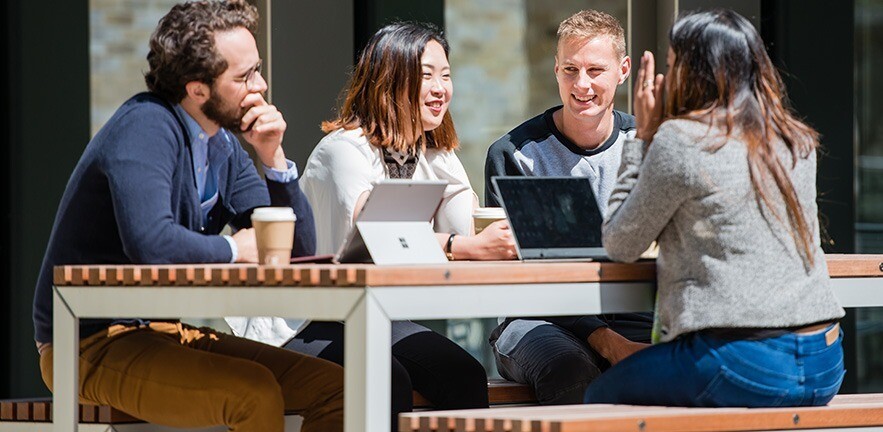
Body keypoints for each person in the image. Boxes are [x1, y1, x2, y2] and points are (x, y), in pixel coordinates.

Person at [31, 2, 343, 431]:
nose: (262, 85)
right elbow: (152, 244)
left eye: (258, 70)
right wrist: (236, 248)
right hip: (88, 343)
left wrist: (274, 159)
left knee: (337, 389)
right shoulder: (146, 127)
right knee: (252, 394)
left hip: (167, 332)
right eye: (244, 76)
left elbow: (296, 251)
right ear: (198, 90)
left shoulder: (223, 144)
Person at [584, 9, 845, 407]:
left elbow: (620, 243)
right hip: (825, 360)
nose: (668, 80)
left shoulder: (682, 140)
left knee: (600, 397)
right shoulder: (795, 141)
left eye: (672, 66)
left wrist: (642, 138)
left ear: (696, 73)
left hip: (743, 361)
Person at [296, 22, 512, 432]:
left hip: (377, 316)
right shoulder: (345, 150)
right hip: (310, 318)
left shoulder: (432, 153)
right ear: (390, 80)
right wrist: (462, 246)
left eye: (445, 76)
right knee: (388, 380)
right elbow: (372, 239)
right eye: (426, 75)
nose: (440, 88)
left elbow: (470, 223)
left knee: (464, 375)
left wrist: (499, 233)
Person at [484, 9, 653, 404]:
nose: (582, 84)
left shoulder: (647, 144)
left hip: (632, 308)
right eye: (570, 70)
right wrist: (607, 342)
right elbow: (527, 277)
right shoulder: (514, 153)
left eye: (596, 70)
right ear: (556, 70)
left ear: (623, 70)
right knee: (569, 368)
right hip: (537, 317)